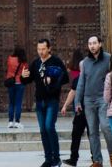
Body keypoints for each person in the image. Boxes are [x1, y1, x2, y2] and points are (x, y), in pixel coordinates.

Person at [22, 37, 70, 167]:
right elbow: (28, 80)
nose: (41, 52)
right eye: (39, 49)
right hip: (39, 101)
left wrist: (53, 79)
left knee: (49, 126)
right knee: (43, 130)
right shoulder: (36, 63)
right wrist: (23, 76)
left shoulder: (56, 61)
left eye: (43, 49)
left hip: (52, 100)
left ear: (49, 48)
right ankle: (48, 159)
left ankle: (56, 157)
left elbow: (65, 77)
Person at [74, 34, 111, 167]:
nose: (92, 46)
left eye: (94, 43)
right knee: (92, 131)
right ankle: (97, 160)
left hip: (103, 99)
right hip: (88, 100)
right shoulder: (85, 63)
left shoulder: (108, 59)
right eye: (90, 44)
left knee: (106, 127)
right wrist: (77, 101)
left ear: (100, 44)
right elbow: (81, 83)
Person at [61, 50, 88, 166]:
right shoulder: (78, 79)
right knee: (77, 134)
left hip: (90, 109)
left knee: (89, 135)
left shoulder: (90, 78)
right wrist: (65, 105)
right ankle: (74, 158)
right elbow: (72, 92)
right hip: (81, 110)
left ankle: (95, 159)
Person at [7, 46, 27, 129]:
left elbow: (9, 67)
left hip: (11, 83)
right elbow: (25, 72)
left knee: (11, 103)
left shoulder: (10, 58)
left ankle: (10, 122)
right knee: (18, 103)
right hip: (19, 83)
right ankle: (17, 122)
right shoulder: (23, 62)